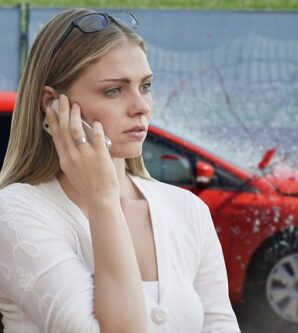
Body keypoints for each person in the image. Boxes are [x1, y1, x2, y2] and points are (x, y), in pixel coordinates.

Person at [0, 8, 240, 333]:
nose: (141, 106)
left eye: (146, 85)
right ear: (51, 103)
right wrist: (103, 200)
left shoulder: (188, 211)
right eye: (114, 90)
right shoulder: (16, 212)